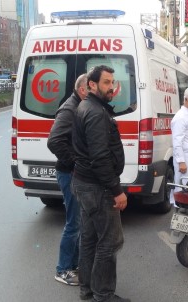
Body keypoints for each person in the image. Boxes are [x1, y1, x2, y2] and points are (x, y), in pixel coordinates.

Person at [71, 65, 130, 302]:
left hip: (86, 184)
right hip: (98, 188)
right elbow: (99, 156)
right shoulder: (95, 112)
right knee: (110, 242)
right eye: (106, 82)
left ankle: (87, 289)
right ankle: (103, 294)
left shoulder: (88, 106)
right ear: (92, 85)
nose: (111, 86)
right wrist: (117, 191)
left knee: (89, 239)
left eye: (112, 82)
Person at [47, 73, 88, 286]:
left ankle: (73, 266)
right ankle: (62, 269)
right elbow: (54, 141)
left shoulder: (78, 106)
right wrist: (74, 163)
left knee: (78, 222)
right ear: (82, 90)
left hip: (74, 173)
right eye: (91, 88)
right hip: (69, 173)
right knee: (73, 223)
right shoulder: (70, 109)